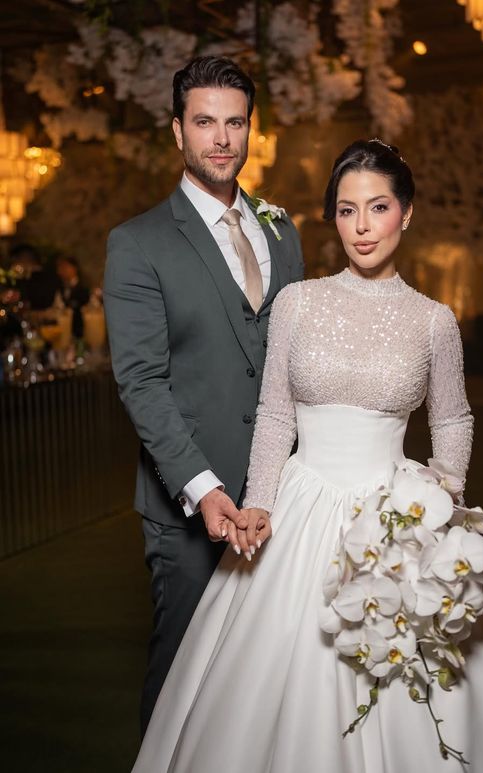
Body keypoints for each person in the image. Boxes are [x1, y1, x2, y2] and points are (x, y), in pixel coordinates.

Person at [131, 140, 483, 772]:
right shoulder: (298, 303)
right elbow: (276, 416)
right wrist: (258, 501)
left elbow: (452, 417)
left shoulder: (433, 321)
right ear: (332, 217)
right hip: (300, 507)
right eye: (346, 211)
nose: (362, 227)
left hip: (399, 514)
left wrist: (440, 501)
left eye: (377, 207)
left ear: (407, 213)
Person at [103, 56, 304, 734]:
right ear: (177, 132)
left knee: (274, 675)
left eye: (235, 123)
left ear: (251, 131)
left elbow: (290, 362)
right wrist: (203, 486)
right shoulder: (137, 244)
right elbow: (141, 380)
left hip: (282, 500)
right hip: (189, 508)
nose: (221, 138)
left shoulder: (283, 230)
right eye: (204, 122)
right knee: (184, 682)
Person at [55, 256, 90, 339]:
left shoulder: (84, 288)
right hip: (62, 333)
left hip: (81, 334)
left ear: (74, 268)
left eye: (65, 267)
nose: (61, 270)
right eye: (60, 267)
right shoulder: (58, 288)